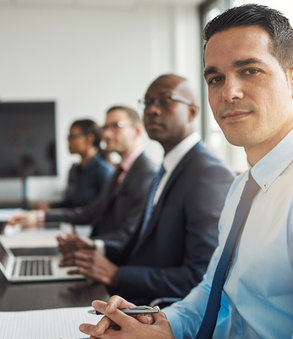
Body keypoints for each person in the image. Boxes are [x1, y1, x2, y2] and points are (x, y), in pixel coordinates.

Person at [80, 4, 293, 339]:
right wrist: (157, 323)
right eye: (215, 78)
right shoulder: (247, 184)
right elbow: (213, 292)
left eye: (250, 70)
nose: (229, 92)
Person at [59, 74, 234, 305]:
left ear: (192, 112)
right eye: (148, 102)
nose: (152, 110)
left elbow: (200, 277)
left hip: (163, 314)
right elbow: (148, 246)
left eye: (164, 101)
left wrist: (116, 274)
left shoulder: (208, 173)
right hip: (132, 299)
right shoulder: (167, 168)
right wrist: (96, 249)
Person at [10, 106, 157, 250]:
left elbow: (129, 234)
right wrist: (40, 217)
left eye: (115, 126)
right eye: (105, 127)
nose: (106, 135)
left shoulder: (146, 173)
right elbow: (91, 212)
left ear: (137, 131)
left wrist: (86, 244)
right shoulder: (120, 171)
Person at [35, 118, 113, 211]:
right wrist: (49, 207)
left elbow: (101, 210)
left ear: (89, 138)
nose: (68, 142)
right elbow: (71, 204)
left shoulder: (102, 170)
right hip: (74, 222)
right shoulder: (75, 170)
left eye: (72, 137)